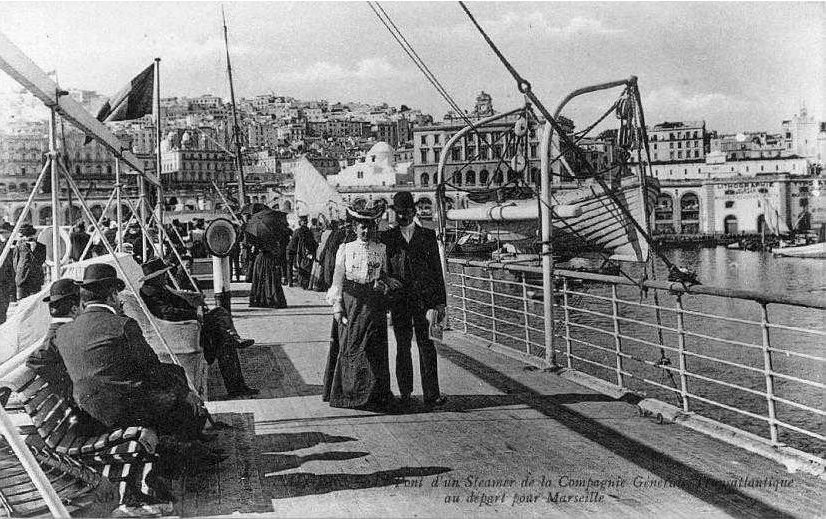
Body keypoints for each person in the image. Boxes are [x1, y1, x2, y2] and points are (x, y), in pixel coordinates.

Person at [53, 263, 221, 463]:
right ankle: (186, 451)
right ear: (113, 296)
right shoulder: (123, 325)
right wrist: (185, 393)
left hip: (90, 411)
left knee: (173, 374)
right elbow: (151, 367)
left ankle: (190, 443)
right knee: (176, 392)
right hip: (124, 407)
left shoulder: (63, 332)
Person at [139, 259, 258, 399]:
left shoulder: (158, 288)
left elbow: (176, 303)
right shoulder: (151, 292)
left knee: (222, 328)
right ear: (155, 277)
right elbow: (166, 312)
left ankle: (232, 340)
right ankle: (234, 344)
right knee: (221, 321)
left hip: (187, 323)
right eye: (163, 274)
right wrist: (195, 314)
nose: (165, 276)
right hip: (181, 328)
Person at [323, 206, 397, 410]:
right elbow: (337, 279)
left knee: (374, 348)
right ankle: (350, 393)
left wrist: (385, 282)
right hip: (352, 301)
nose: (365, 231)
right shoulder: (345, 249)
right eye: (362, 227)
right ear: (355, 227)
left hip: (374, 303)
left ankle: (373, 394)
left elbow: (382, 274)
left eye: (369, 227)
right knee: (352, 345)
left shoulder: (380, 249)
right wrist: (337, 306)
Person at [382, 191, 447, 408]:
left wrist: (440, 303)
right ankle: (405, 392)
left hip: (424, 302)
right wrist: (388, 279)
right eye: (399, 213)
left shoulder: (428, 237)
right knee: (402, 347)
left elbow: (437, 272)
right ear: (395, 213)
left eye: (407, 212)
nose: (403, 217)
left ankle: (432, 393)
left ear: (414, 211)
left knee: (427, 345)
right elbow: (382, 269)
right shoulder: (387, 239)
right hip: (399, 301)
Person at [13, 224, 46, 299]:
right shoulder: (19, 246)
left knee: (35, 302)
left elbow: (41, 261)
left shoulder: (41, 247)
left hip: (35, 279)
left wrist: (34, 249)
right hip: (22, 279)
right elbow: (15, 263)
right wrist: (20, 272)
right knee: (21, 302)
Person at [287, 215, 318, 289]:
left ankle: (297, 282)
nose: (306, 223)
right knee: (292, 265)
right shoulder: (300, 231)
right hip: (293, 250)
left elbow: (310, 241)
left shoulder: (304, 231)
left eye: (306, 222)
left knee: (298, 265)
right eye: (304, 222)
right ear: (300, 223)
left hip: (298, 250)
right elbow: (303, 242)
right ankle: (290, 281)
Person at [0, 223, 16, 324]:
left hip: (6, 280)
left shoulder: (11, 246)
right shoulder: (5, 246)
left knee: (4, 305)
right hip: (3, 279)